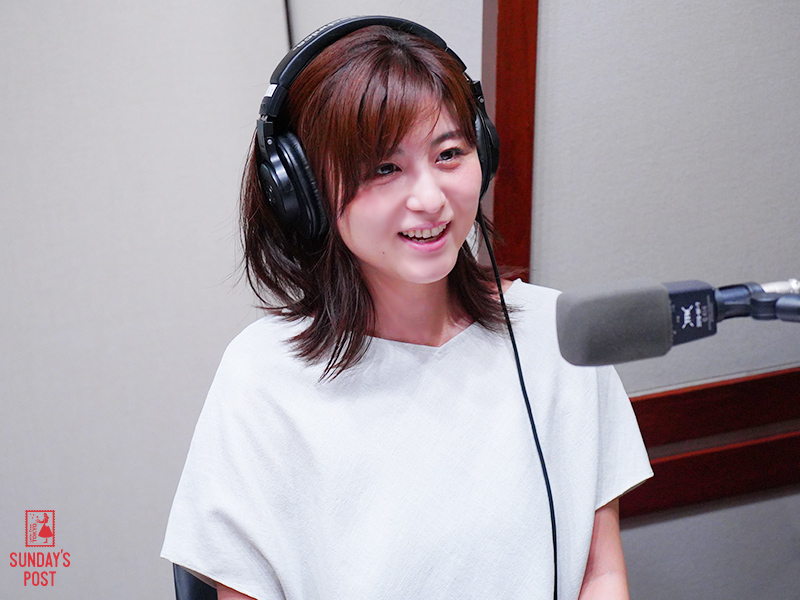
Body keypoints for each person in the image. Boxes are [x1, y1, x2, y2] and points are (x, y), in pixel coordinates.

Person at [161, 16, 652, 600]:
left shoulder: (562, 335)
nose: (430, 199)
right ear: (304, 194)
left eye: (449, 154)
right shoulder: (262, 380)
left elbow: (600, 573)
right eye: (384, 169)